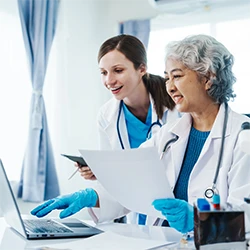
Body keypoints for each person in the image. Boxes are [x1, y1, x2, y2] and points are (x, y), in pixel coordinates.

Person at [31, 34, 250, 234]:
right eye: (167, 78)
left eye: (177, 76)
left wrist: (196, 220)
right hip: (162, 240)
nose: (170, 87)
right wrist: (91, 196)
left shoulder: (243, 139)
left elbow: (246, 218)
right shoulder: (168, 136)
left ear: (208, 78)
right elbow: (130, 185)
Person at [74, 34, 180, 225]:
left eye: (118, 70)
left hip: (178, 210)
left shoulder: (176, 105)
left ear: (142, 69)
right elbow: (115, 174)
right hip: (137, 214)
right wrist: (100, 173)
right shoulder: (106, 116)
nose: (109, 80)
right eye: (103, 72)